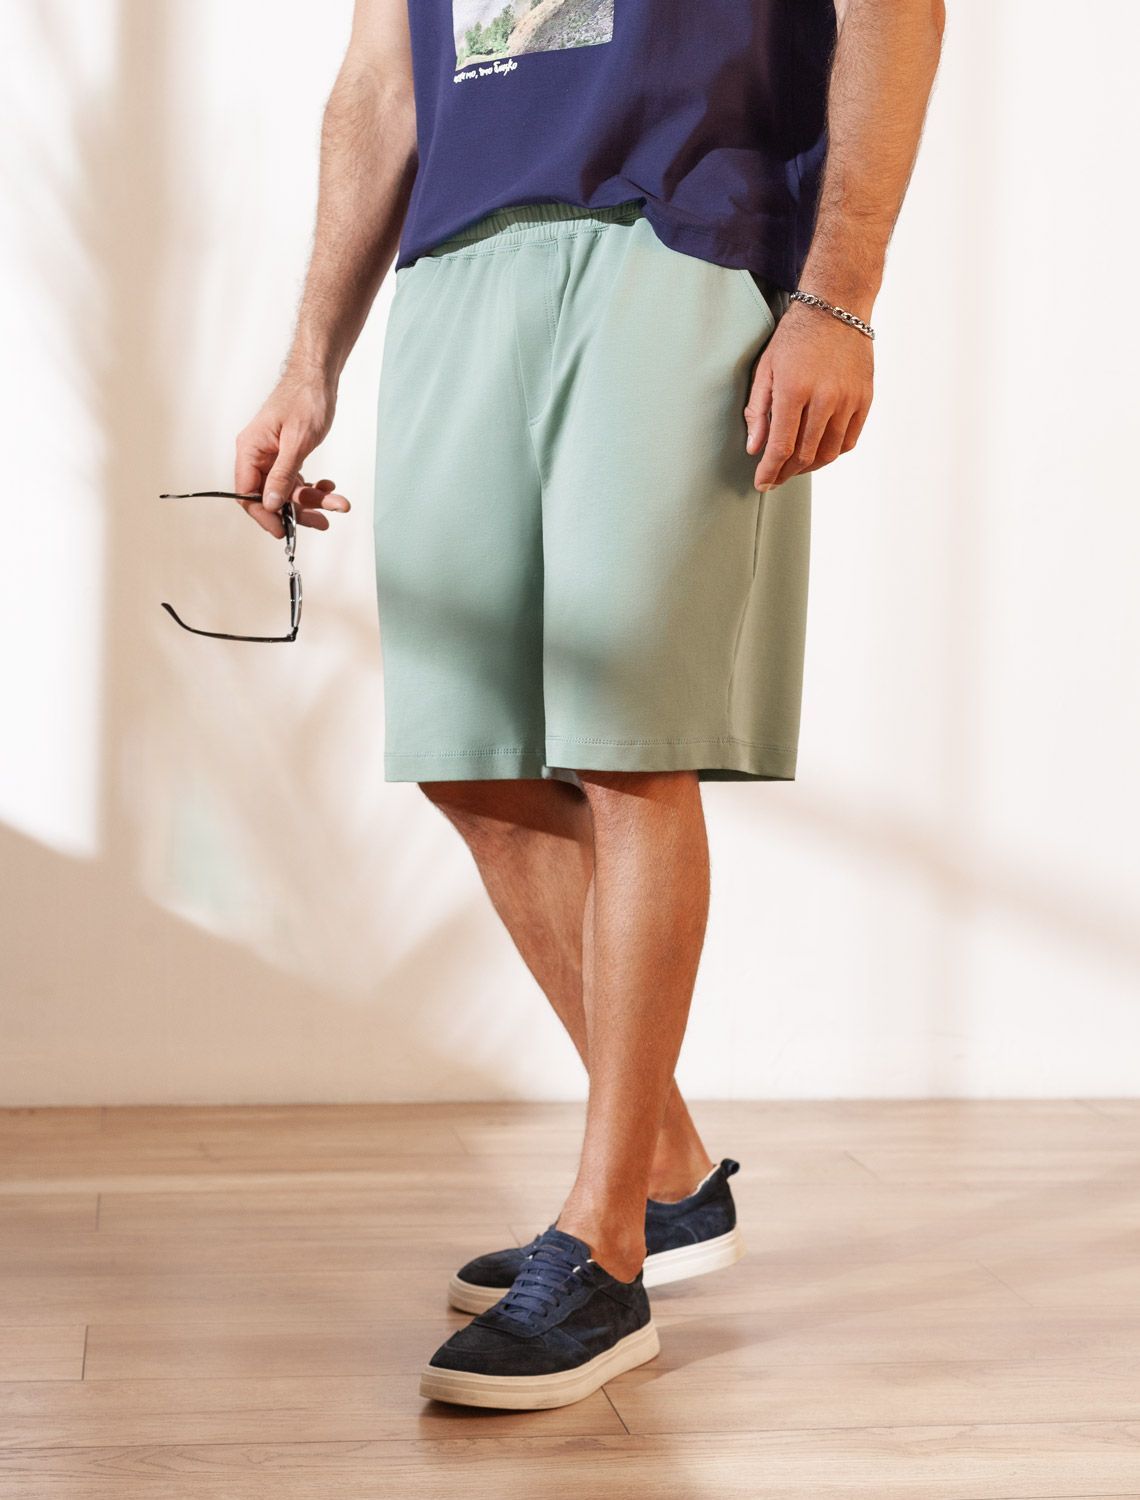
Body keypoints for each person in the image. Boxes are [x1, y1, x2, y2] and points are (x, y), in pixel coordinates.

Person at [233, 0, 945, 1409]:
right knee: (469, 753)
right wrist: (309, 361)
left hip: (677, 234)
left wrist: (839, 296)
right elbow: (380, 83)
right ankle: (668, 1173)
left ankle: (606, 1246)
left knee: (631, 746)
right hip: (455, 259)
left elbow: (895, 11)